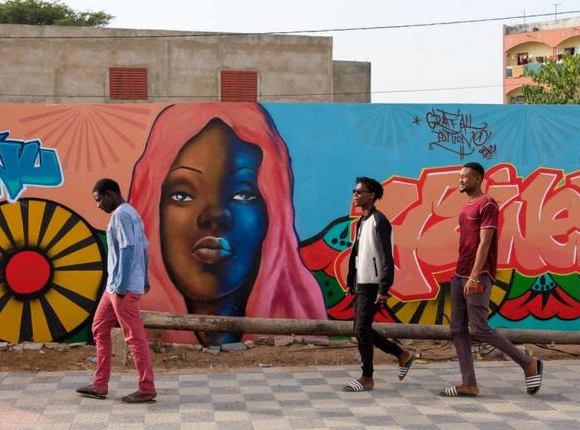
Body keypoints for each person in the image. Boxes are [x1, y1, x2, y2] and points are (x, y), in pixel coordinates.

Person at [128, 103, 327, 346]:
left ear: (275, 215)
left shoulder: (303, 330)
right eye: (182, 195)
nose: (215, 215)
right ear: (151, 210)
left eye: (243, 194)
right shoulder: (126, 320)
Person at [441, 162, 543, 397]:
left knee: (480, 328)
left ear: (478, 179)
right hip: (459, 274)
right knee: (457, 329)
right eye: (460, 176)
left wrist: (475, 275)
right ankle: (469, 383)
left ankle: (528, 363)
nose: (460, 180)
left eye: (465, 177)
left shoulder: (487, 204)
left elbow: (485, 242)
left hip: (477, 275)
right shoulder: (467, 205)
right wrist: (462, 274)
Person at [77, 178, 156, 403]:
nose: (98, 205)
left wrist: (121, 286)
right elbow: (144, 249)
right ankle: (99, 385)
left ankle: (147, 388)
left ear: (110, 194)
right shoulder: (132, 213)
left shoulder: (121, 215)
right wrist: (146, 277)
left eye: (99, 199)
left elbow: (129, 249)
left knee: (134, 337)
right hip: (116, 286)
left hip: (122, 288)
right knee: (99, 327)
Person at [343, 177, 419, 392]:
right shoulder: (362, 222)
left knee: (361, 329)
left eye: (360, 191)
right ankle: (402, 354)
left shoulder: (379, 220)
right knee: (361, 329)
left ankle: (367, 377)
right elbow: (358, 254)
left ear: (372, 195)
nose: (355, 195)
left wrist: (384, 287)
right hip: (361, 282)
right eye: (354, 191)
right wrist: (351, 280)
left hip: (373, 284)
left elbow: (386, 256)